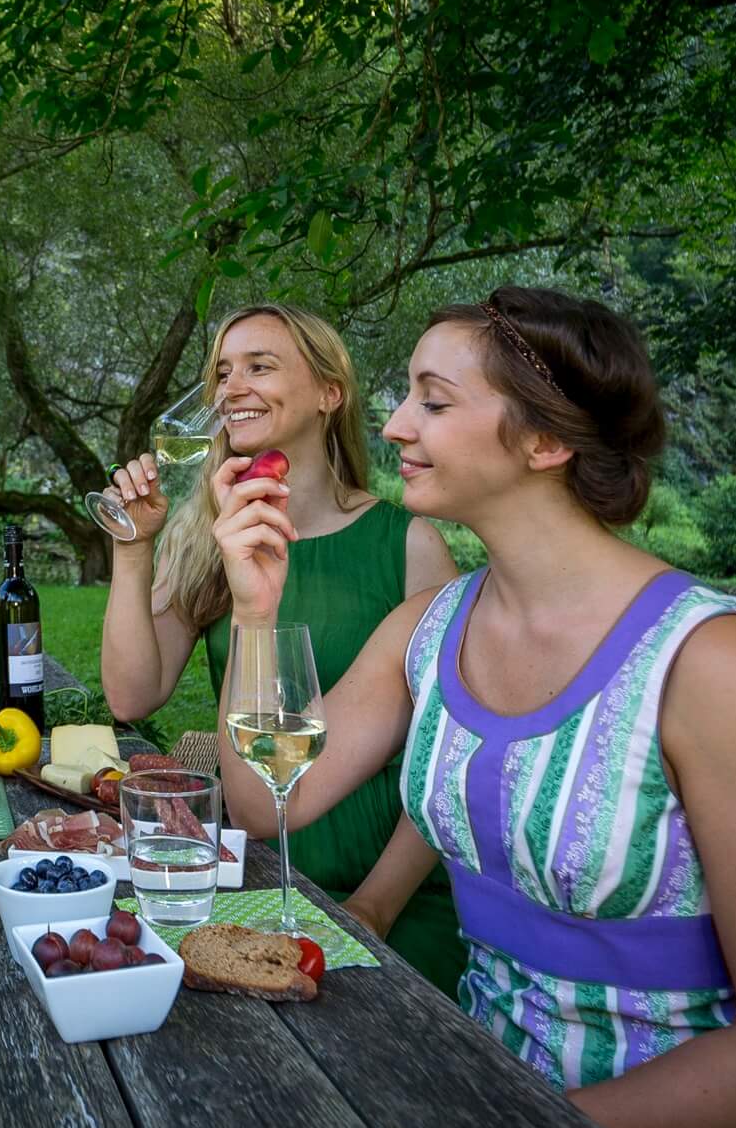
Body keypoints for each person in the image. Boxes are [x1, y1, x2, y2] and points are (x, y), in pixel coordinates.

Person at [212, 287, 736, 1128]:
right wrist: (254, 616)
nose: (396, 426)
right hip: (469, 1079)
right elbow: (272, 802)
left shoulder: (711, 667)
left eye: (434, 401)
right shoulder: (430, 629)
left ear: (547, 439)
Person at [97, 302, 467, 991]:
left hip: (392, 898)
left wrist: (375, 906)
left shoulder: (406, 544)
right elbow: (131, 693)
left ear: (330, 392)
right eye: (221, 372)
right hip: (254, 880)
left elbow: (443, 759)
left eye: (259, 367)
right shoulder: (210, 532)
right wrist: (132, 549)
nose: (229, 388)